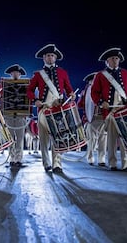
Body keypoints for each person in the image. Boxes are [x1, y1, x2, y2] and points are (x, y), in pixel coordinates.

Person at [90, 47, 127, 172]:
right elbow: (94, 93)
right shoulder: (100, 75)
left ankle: (126, 163)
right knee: (112, 138)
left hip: (124, 111)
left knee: (126, 137)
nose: (115, 60)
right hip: (110, 112)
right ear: (107, 61)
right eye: (112, 58)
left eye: (117, 58)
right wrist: (102, 103)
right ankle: (112, 162)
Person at [27, 43, 76, 173]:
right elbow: (29, 90)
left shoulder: (62, 72)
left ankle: (57, 164)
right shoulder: (38, 74)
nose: (50, 58)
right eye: (48, 55)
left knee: (58, 136)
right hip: (44, 109)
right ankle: (46, 163)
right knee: (43, 138)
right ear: (44, 57)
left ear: (55, 58)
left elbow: (68, 88)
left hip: (58, 108)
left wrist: (71, 93)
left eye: (52, 55)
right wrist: (35, 100)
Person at [77, 72, 107, 167]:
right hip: (91, 119)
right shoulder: (86, 91)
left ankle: (101, 159)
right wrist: (82, 97)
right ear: (90, 82)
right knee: (91, 140)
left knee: (103, 139)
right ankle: (90, 157)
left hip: (102, 117)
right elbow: (79, 105)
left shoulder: (103, 90)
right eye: (93, 80)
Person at [2, 64, 28, 168]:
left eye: (17, 73)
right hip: (8, 114)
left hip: (21, 115)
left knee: (20, 138)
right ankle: (12, 158)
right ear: (11, 74)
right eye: (13, 73)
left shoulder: (26, 85)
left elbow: (28, 98)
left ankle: (19, 159)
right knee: (10, 138)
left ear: (20, 75)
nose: (15, 74)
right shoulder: (4, 84)